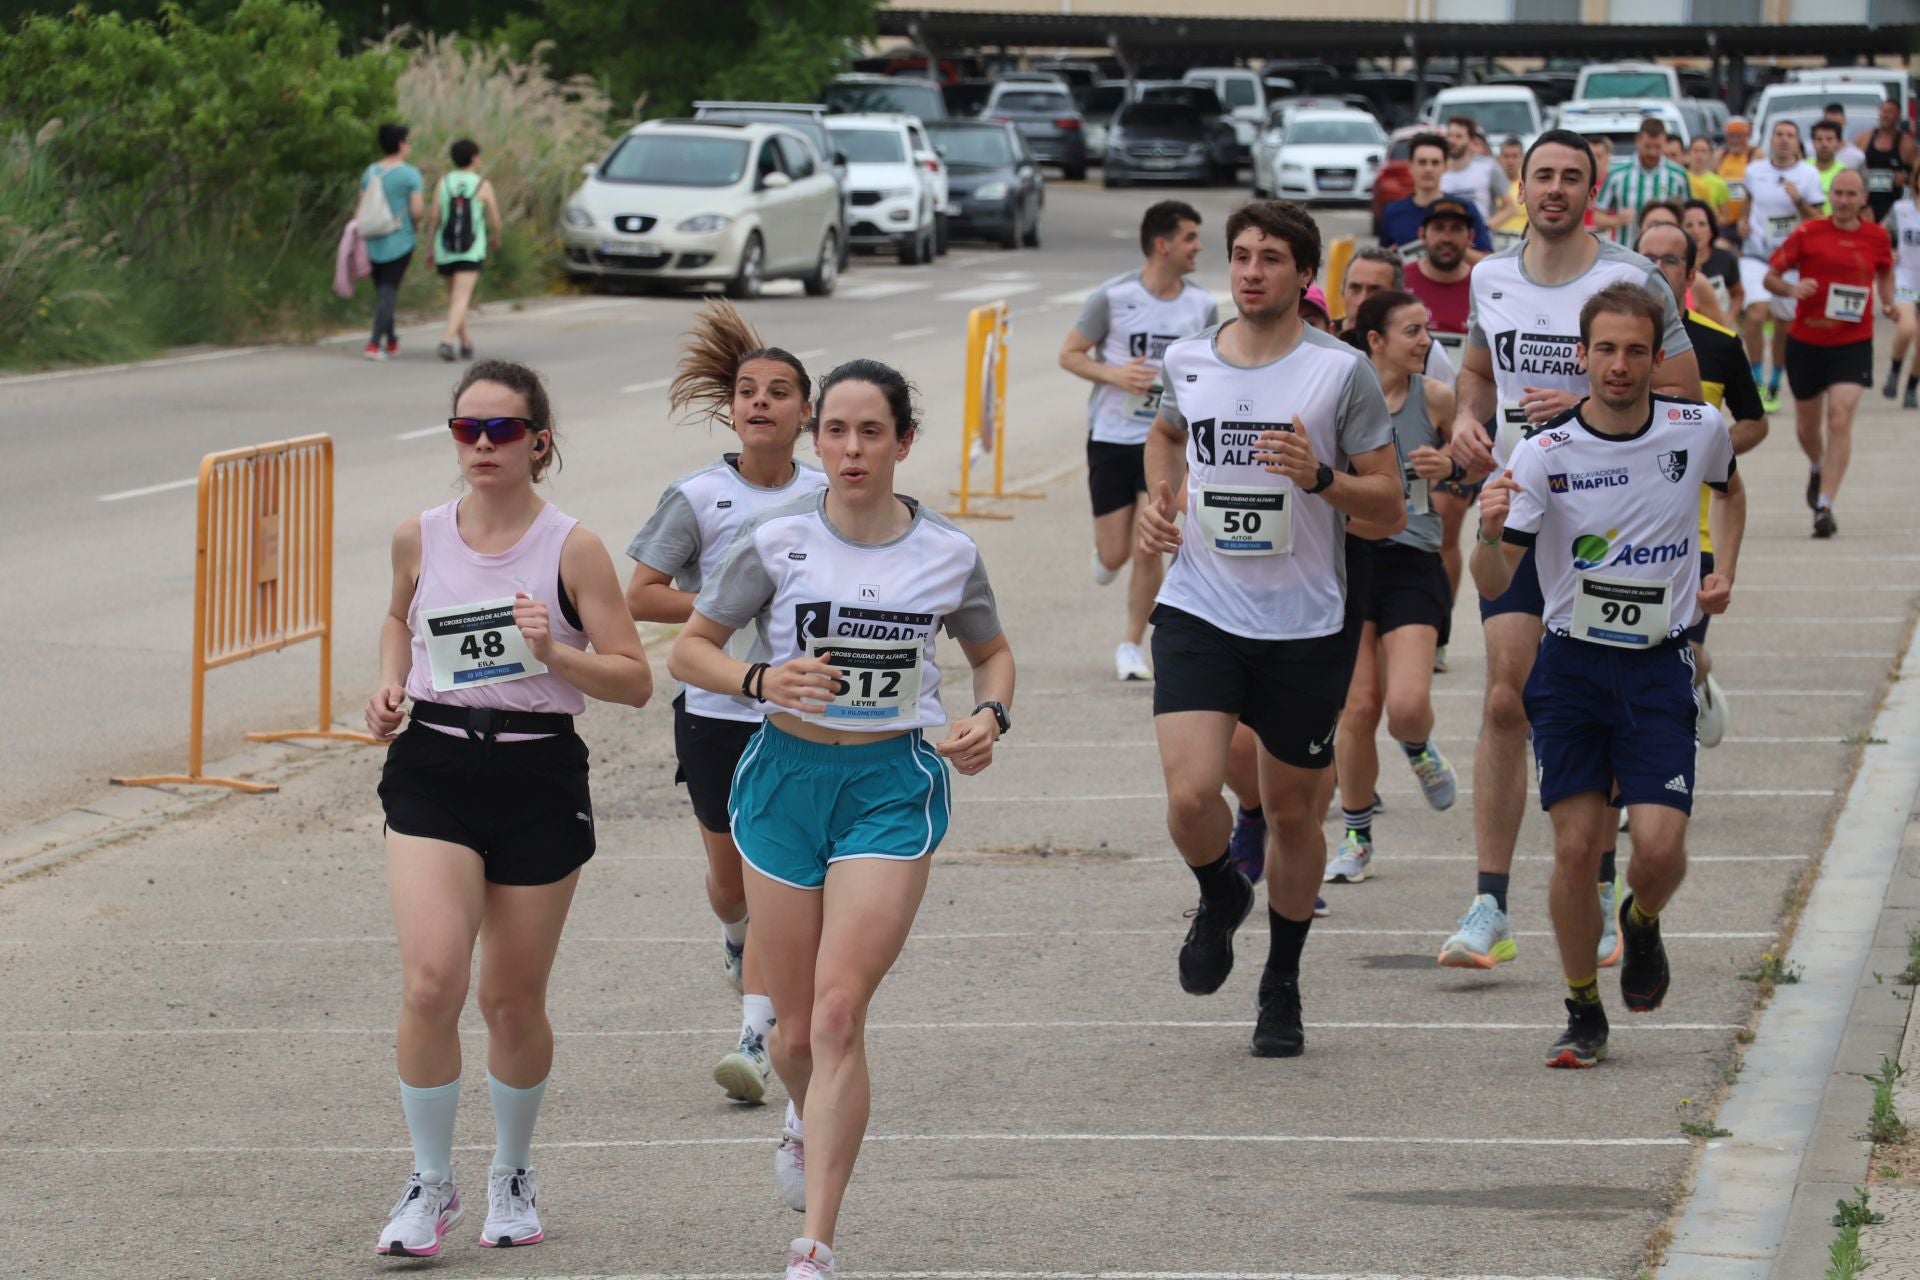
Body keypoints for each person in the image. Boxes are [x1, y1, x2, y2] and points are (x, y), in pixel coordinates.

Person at [669, 359, 1015, 1280]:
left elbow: (993, 654)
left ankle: (814, 1245)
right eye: (836, 431)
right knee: (791, 1036)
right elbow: (690, 651)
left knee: (835, 1012)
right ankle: (803, 1112)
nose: (852, 449)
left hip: (889, 788)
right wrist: (760, 678)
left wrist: (989, 716)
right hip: (783, 783)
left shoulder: (947, 553)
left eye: (871, 432)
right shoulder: (776, 540)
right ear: (815, 439)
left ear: (904, 442)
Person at [366, 360, 654, 1256]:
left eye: (502, 430)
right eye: (467, 429)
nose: (482, 445)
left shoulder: (573, 548)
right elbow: (397, 619)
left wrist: (554, 651)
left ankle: (513, 1172)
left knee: (510, 1000)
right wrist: (389, 684)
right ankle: (429, 1184)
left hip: (537, 774)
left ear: (539, 442)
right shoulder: (418, 535)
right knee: (431, 981)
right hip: (435, 765)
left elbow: (635, 679)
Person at [1136, 199, 1401, 1058]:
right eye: (1242, 256)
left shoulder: (1339, 373)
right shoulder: (1189, 359)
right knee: (1190, 796)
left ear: (1304, 274)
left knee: (1291, 815)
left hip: (1305, 623)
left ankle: (1281, 980)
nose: (1252, 272)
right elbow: (1165, 436)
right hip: (1200, 606)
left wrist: (1321, 478)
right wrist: (1161, 497)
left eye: (1272, 258)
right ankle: (1220, 890)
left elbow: (1390, 506)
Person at [1441, 129, 1700, 973]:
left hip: (1610, 521)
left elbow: (1685, 396)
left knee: (1604, 684)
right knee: (1504, 698)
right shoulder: (1491, 276)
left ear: (1593, 191)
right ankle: (1490, 904)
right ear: (1520, 187)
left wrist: (1590, 398)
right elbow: (1478, 373)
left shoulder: (1633, 280)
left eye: (1571, 177)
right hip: (1522, 507)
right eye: (1542, 175)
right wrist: (1468, 418)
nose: (1555, 188)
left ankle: (1601, 876)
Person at [1473, 281, 1742, 1069]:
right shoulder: (1543, 453)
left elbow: (1731, 493)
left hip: (1659, 666)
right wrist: (1486, 534)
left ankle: (1642, 920)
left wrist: (1723, 569)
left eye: (1634, 351)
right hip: (1572, 669)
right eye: (1605, 350)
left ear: (1657, 358)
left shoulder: (1698, 428)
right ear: (1582, 355)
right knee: (1575, 849)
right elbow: (1495, 579)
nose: (1618, 365)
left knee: (1658, 849)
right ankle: (1582, 1006)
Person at [625, 303, 828, 1106]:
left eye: (779, 392)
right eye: (748, 391)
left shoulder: (828, 494)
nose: (761, 402)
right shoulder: (698, 497)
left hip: (798, 716)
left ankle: (754, 1037)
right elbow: (641, 594)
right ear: (731, 409)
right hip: (714, 712)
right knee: (731, 882)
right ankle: (737, 938)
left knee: (775, 869)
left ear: (806, 412)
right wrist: (727, 603)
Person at [1324, 290, 1459, 885]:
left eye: (1426, 329)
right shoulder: (1340, 400)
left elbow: (1477, 456)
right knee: (1357, 707)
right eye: (1413, 331)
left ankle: (1418, 746)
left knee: (1405, 706)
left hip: (1413, 560)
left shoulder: (1436, 397)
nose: (1426, 341)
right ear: (1375, 340)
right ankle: (1357, 837)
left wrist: (1452, 465)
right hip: (1351, 559)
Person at [1059, 201, 1218, 683]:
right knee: (1115, 554)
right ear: (1162, 244)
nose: (1198, 247)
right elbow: (1070, 354)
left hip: (1167, 438)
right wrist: (1115, 374)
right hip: (1112, 436)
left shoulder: (1202, 306)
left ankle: (1131, 644)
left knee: (1150, 543)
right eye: (1190, 237)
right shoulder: (1114, 296)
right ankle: (1107, 556)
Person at [1639, 220, 1765, 749]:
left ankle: (1697, 674)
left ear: (1691, 274)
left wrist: (1706, 450)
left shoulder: (1719, 343)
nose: (1656, 269)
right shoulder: (1603, 340)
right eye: (1646, 258)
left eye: (1670, 260)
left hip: (1696, 535)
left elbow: (1755, 422)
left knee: (1676, 657)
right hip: (1619, 529)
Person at [1765, 168, 1895, 538]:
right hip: (1806, 341)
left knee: (1839, 418)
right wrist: (1791, 290)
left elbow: (1886, 273)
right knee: (1807, 428)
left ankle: (1824, 505)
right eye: (1838, 193)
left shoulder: (1876, 237)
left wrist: (1890, 303)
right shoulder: (1808, 232)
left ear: (1863, 199)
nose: (1843, 201)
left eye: (1851, 194)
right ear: (1830, 196)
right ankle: (1817, 464)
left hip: (1853, 342)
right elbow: (1770, 276)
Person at [1402, 198, 1477, 661]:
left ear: (1470, 236)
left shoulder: (1483, 285)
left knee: (1446, 524)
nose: (1446, 237)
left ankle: (1437, 634)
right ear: (1423, 235)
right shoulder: (1405, 282)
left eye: (1456, 228)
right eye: (1438, 228)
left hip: (1468, 423)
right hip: (1413, 419)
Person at [1736, 120, 1824, 413]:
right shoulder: (1754, 170)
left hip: (1790, 261)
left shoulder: (1809, 174)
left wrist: (1798, 201)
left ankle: (1775, 380)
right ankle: (1756, 378)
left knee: (1784, 326)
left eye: (1790, 135)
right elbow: (1748, 201)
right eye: (1779, 135)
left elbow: (1818, 220)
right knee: (1756, 313)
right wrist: (1743, 221)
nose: (1784, 140)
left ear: (1798, 142)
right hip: (1756, 255)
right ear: (1771, 140)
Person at [424, 138, 504, 363]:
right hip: (471, 250)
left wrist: (429, 249)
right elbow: (496, 220)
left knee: (456, 299)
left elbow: (434, 217)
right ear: (473, 158)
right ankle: (447, 341)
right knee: (461, 299)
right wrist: (496, 238)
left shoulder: (444, 181)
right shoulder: (482, 185)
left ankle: (466, 343)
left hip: (445, 248)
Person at [1344, 245, 1457, 387]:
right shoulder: (1325, 337)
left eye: (1375, 290)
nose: (1361, 301)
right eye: (1355, 288)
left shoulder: (1427, 351)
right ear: (1342, 290)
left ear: (1398, 296)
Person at [358, 123, 426, 361]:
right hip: (400, 239)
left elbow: (361, 208)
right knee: (388, 290)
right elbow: (417, 210)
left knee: (384, 291)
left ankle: (392, 339)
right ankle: (374, 343)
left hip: (372, 239)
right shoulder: (410, 174)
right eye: (408, 141)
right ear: (401, 144)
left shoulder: (370, 172)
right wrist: (415, 223)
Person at [1381, 132, 1494, 256]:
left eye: (1435, 163)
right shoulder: (1393, 212)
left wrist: (1456, 247)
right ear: (1411, 167)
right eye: (1422, 162)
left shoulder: (1464, 209)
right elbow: (1382, 258)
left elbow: (1487, 260)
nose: (1428, 169)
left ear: (1445, 167)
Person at [1595, 118, 1692, 247]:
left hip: (1665, 249)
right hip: (1627, 250)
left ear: (1665, 142)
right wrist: (1616, 221)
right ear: (1638, 141)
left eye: (1657, 147)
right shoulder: (1617, 174)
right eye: (1647, 146)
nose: (1652, 152)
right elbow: (1597, 216)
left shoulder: (1679, 175)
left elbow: (1688, 215)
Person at [1881, 165, 1920, 407]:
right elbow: (1880, 233)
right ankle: (1894, 370)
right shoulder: (1901, 209)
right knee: (1906, 328)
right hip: (1905, 277)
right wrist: (1888, 251)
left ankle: (1912, 387)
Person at [1442, 116, 1518, 227]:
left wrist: (1484, 227)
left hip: (1479, 235)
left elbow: (1510, 208)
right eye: (1449, 136)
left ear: (1470, 140)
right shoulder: (1437, 168)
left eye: (1458, 136)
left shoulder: (1488, 167)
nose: (1452, 141)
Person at [1857, 98, 1918, 225]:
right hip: (1866, 206)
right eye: (1883, 111)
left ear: (1898, 116)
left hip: (1894, 206)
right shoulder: (1863, 139)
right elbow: (1850, 168)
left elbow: (1916, 174)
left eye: (1889, 112)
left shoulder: (1906, 145)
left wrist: (1905, 179)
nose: (1885, 115)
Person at [1685, 199, 1746, 320]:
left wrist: (1728, 319)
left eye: (1702, 224)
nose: (1695, 231)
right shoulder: (1675, 264)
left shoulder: (1726, 259)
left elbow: (1738, 294)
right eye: (1688, 225)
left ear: (1711, 229)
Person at [1716, 119, 1756, 242]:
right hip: (1725, 223)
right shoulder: (1720, 156)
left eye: (1739, 136)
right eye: (1731, 136)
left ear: (1747, 136)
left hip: (1748, 223)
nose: (1735, 140)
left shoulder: (1755, 155)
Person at [1685, 136, 1733, 226]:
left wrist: (1712, 220)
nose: (1699, 155)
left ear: (1710, 155)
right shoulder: (1682, 178)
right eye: (1695, 151)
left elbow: (1725, 217)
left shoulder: (1719, 183)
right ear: (1688, 153)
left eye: (1704, 151)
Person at [1495, 135, 1530, 245]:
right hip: (1496, 238)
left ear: (1523, 158)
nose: (1510, 161)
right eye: (1506, 156)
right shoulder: (1491, 184)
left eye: (1515, 156)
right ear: (1499, 158)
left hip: (1522, 239)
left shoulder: (1529, 182)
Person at [1810, 120, 1853, 198]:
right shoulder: (1802, 168)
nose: (1824, 144)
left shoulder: (1845, 173)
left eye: (1829, 139)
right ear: (1813, 143)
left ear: (1839, 143)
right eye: (1819, 139)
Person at [1824, 103, 1868, 170]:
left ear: (1844, 123)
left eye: (1837, 124)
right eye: (1829, 124)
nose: (1833, 129)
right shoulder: (1809, 151)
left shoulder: (1856, 156)